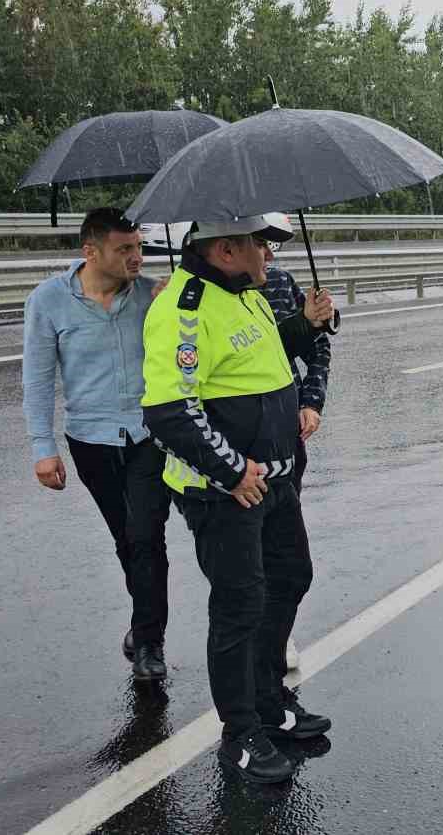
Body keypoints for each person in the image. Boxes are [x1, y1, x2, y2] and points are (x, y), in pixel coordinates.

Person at [141, 215, 336, 784]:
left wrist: (304, 324)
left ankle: (269, 698)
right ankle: (240, 731)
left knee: (291, 577)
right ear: (226, 249)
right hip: (226, 492)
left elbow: (265, 352)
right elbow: (168, 411)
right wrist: (230, 471)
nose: (268, 255)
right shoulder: (182, 307)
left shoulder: (244, 293)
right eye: (259, 244)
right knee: (240, 605)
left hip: (275, 480)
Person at [23, 208, 172, 683]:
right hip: (90, 439)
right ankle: (144, 616)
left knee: (148, 535)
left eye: (139, 247)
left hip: (149, 435)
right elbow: (38, 378)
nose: (137, 257)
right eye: (124, 249)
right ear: (90, 252)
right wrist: (42, 448)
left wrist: (175, 306)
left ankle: (149, 642)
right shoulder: (48, 300)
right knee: (126, 539)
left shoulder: (152, 294)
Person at [259, 230, 333, 670]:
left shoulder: (281, 284)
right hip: (233, 451)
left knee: (287, 558)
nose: (268, 254)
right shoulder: (198, 303)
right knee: (249, 561)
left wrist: (310, 401)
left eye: (273, 246)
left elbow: (315, 347)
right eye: (260, 242)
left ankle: (277, 636)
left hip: (286, 434)